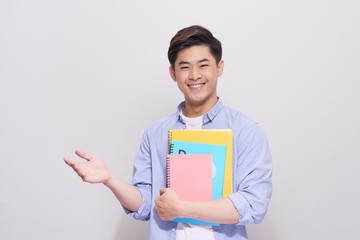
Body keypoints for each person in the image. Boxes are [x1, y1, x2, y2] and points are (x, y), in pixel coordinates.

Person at [64, 25, 273, 240]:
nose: (194, 75)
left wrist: (181, 209)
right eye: (184, 67)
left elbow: (253, 204)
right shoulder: (155, 134)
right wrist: (109, 179)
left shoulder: (246, 131)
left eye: (203, 65)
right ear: (173, 73)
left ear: (219, 68)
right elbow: (145, 204)